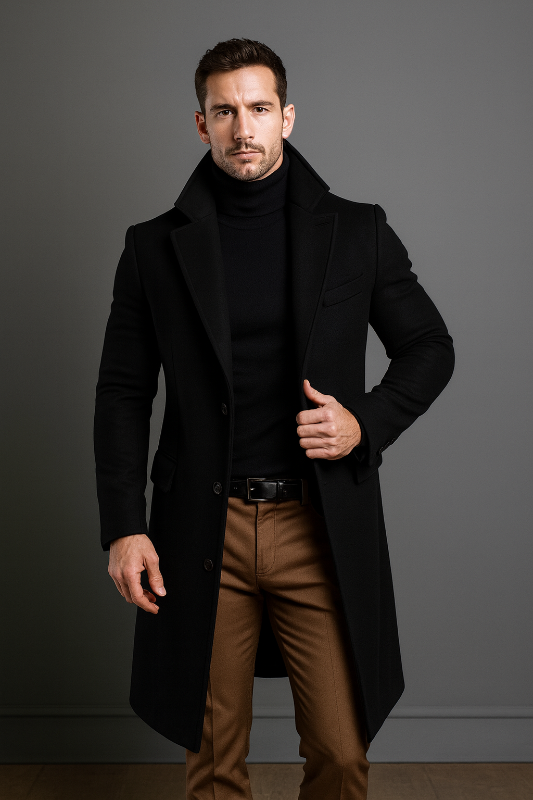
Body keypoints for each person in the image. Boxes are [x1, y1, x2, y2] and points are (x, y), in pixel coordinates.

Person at [94, 38, 455, 800]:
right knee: (213, 763)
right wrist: (124, 526)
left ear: (286, 116)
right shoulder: (153, 247)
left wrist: (364, 422)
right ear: (202, 124)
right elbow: (123, 391)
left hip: (317, 525)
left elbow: (429, 346)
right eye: (224, 112)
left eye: (258, 108)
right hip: (201, 529)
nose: (242, 128)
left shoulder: (356, 230)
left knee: (340, 753)